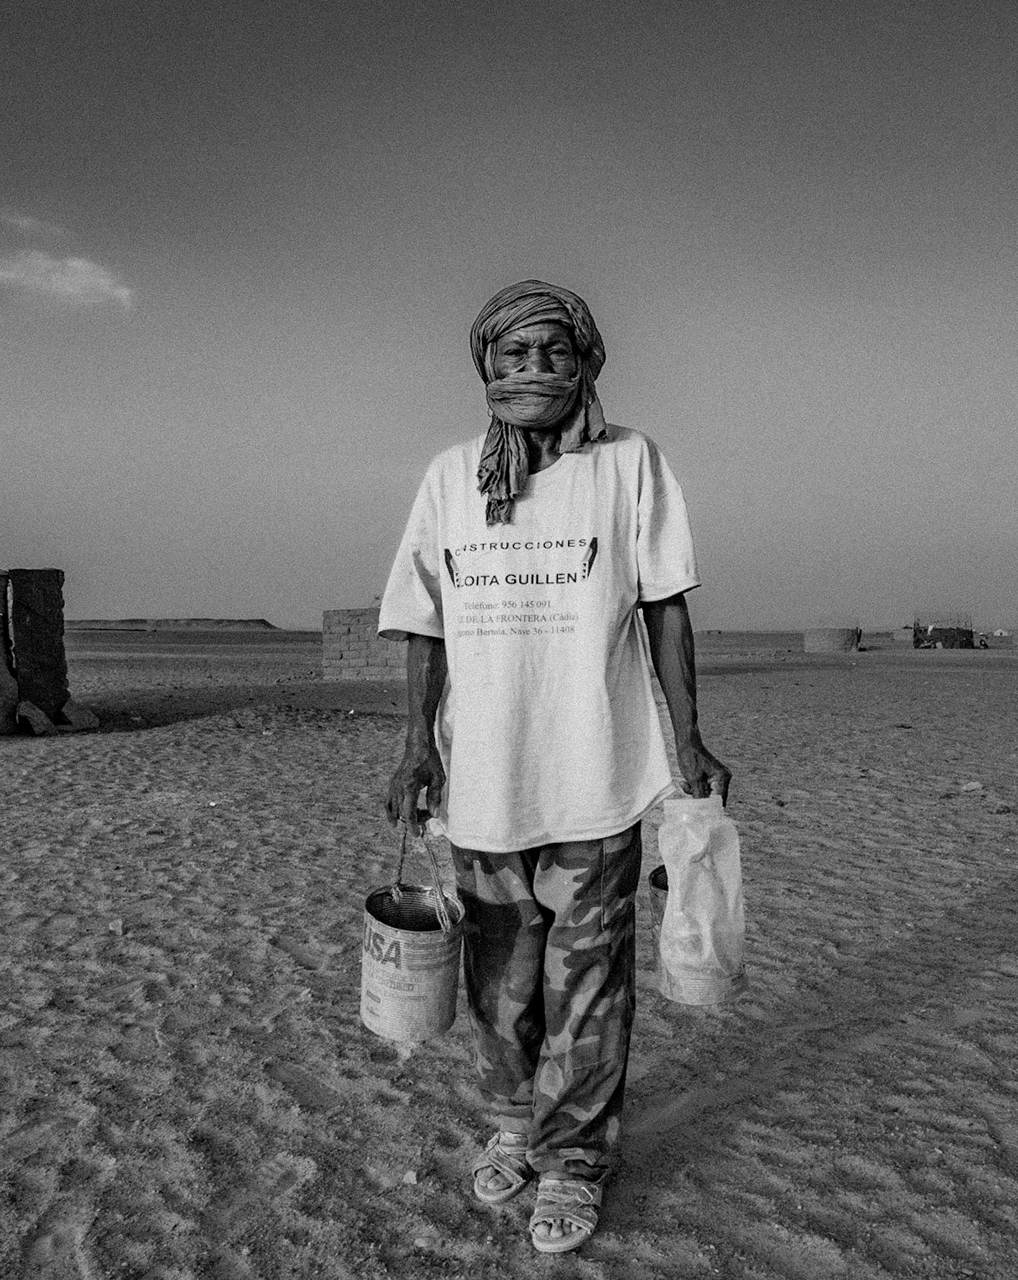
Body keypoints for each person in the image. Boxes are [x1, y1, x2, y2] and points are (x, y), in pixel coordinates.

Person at [378, 279, 730, 1254]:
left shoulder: (630, 466)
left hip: (597, 780)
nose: (531, 368)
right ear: (485, 368)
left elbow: (665, 607)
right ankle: (512, 1120)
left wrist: (687, 738)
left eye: (552, 352)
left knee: (590, 984)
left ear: (585, 366)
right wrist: (415, 741)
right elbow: (423, 617)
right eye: (512, 354)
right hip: (484, 784)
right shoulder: (453, 476)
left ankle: (576, 1158)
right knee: (503, 984)